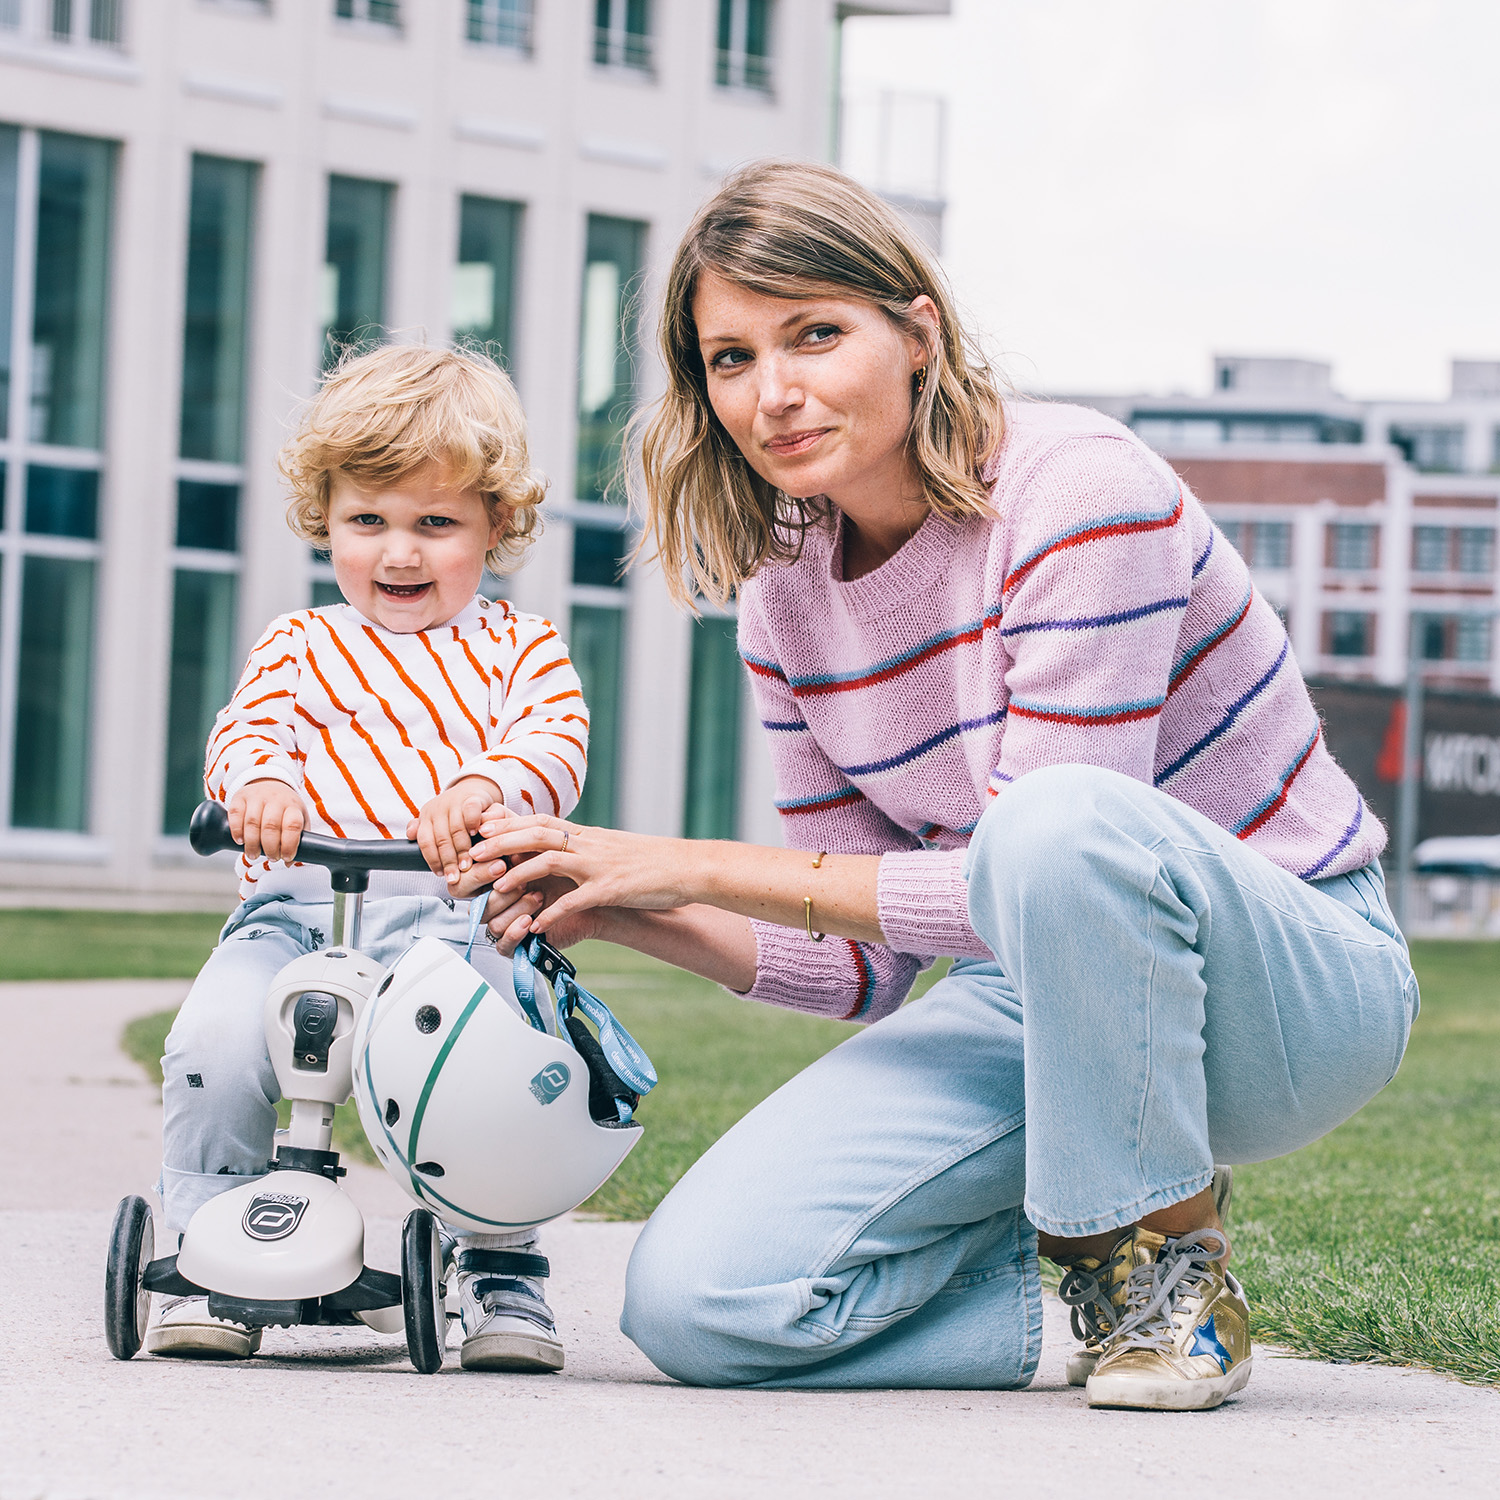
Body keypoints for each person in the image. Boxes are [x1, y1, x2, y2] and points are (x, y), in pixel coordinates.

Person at [456, 160, 1418, 1410]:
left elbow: (1029, 867)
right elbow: (856, 963)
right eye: (731, 359)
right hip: (1035, 996)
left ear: (916, 332)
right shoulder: (784, 593)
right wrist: (604, 898)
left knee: (1054, 826)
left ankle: (1159, 1271)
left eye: (814, 333)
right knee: (699, 1304)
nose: (775, 393)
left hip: (1292, 986)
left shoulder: (1080, 490)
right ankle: (1055, 1286)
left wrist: (680, 856)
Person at [151, 344, 588, 1373]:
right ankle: (209, 1246)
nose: (400, 552)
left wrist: (485, 789)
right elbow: (246, 730)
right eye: (369, 521)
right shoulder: (299, 644)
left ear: (497, 526)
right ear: (327, 519)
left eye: (436, 524)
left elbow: (553, 741)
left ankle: (500, 1271)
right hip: (295, 915)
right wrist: (257, 785)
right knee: (215, 1044)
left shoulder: (521, 647)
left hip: (453, 922)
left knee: (497, 1072)